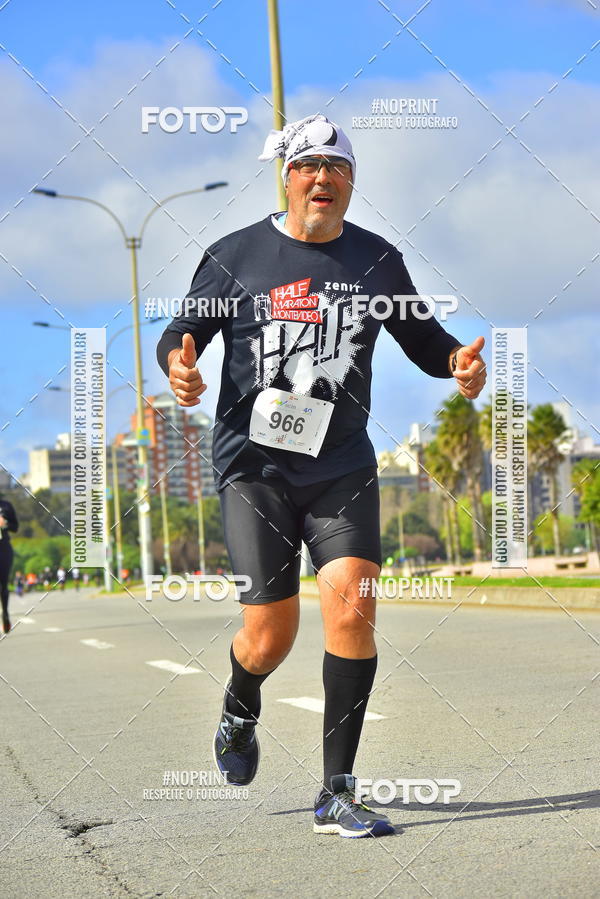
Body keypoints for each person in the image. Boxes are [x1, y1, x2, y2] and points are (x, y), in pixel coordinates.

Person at [156, 114, 486, 838]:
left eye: (336, 170)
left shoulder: (376, 260)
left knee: (353, 605)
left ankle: (337, 790)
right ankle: (241, 705)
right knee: (271, 633)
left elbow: (423, 337)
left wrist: (458, 360)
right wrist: (180, 366)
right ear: (287, 175)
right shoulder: (234, 255)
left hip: (341, 465)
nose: (322, 179)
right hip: (255, 468)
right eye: (308, 166)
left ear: (350, 184)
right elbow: (180, 333)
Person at [0, 495, 19, 634]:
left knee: (3, 584)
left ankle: (5, 613)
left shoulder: (6, 505)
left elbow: (15, 527)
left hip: (3, 547)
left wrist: (4, 523)